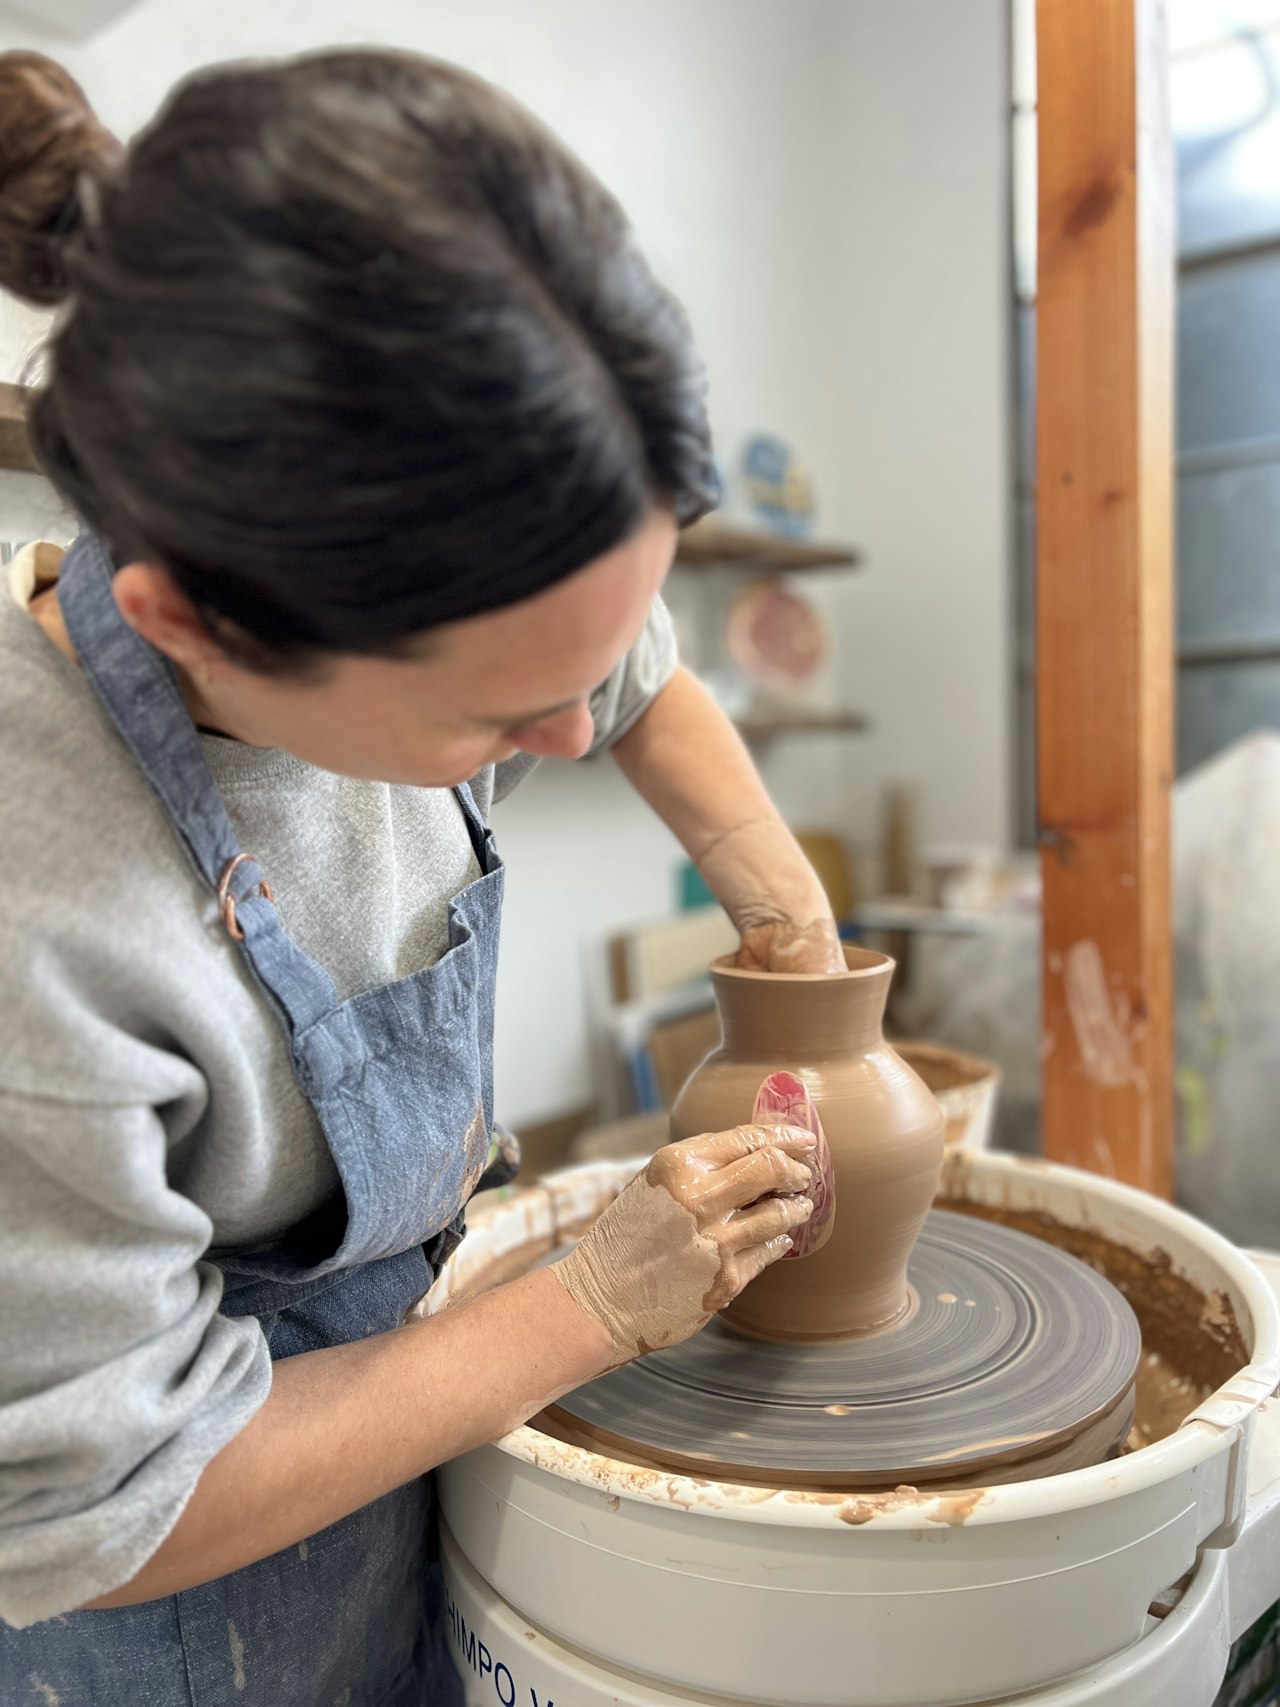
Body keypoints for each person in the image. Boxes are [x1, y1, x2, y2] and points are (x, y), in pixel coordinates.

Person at [0, 46, 843, 1706]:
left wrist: (786, 913)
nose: (570, 730)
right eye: (498, 713)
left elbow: (635, 681)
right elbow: (106, 1507)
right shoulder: (41, 918)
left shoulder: (458, 596)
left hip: (405, 1438)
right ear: (192, 622)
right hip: (175, 1615)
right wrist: (587, 1304)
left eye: (582, 662)